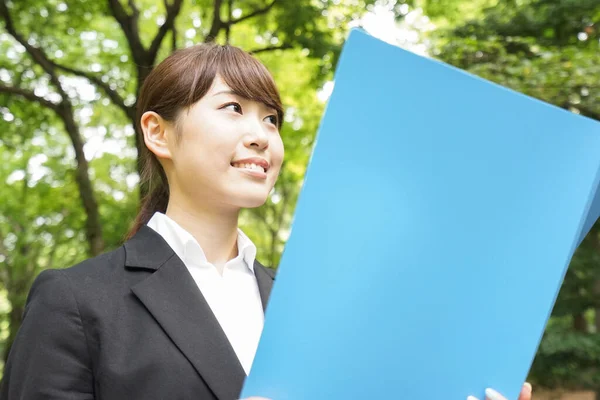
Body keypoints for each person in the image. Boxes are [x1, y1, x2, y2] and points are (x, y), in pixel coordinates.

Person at [0, 43, 533, 400]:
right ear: (158, 133)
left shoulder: (304, 304)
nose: (261, 136)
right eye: (232, 108)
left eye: (271, 118)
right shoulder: (75, 300)